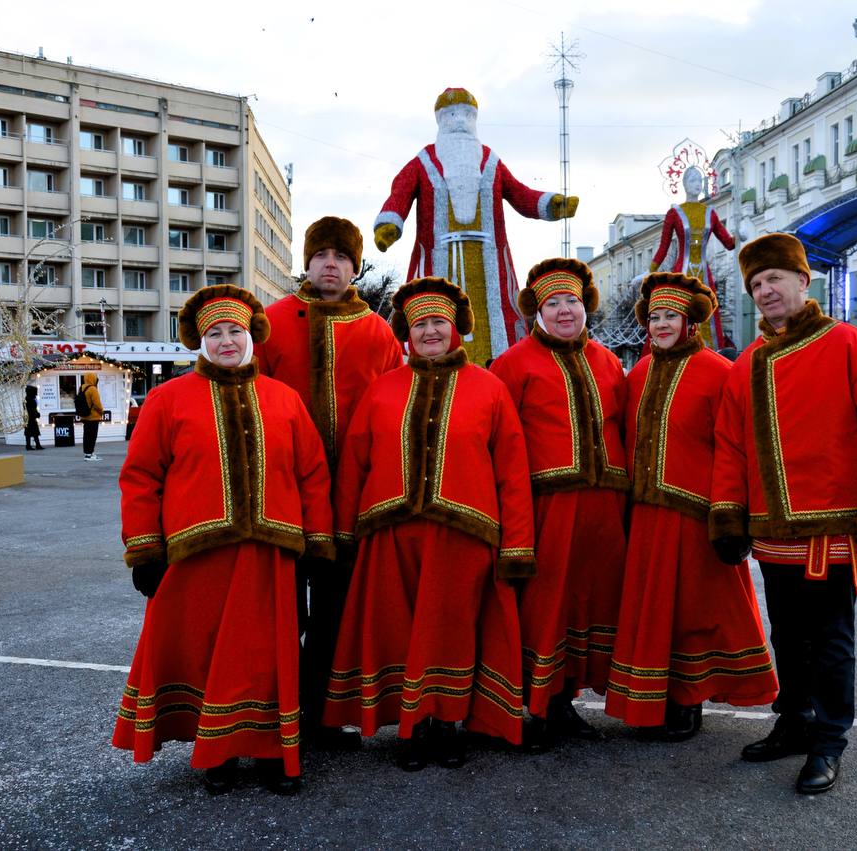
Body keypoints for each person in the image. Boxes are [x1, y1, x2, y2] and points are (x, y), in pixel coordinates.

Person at [113, 284, 334, 796]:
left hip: (270, 556)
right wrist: (145, 549)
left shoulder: (285, 399)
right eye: (215, 333)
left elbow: (312, 477)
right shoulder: (167, 399)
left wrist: (318, 545)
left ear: (252, 336)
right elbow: (141, 477)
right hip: (197, 557)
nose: (226, 341)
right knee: (209, 655)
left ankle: (276, 753)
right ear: (200, 341)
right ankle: (220, 752)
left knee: (269, 658)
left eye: (235, 331)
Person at [709, 232, 857, 795]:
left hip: (830, 530)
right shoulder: (745, 363)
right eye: (756, 283)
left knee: (829, 641)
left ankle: (827, 742)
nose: (766, 290)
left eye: (774, 278)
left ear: (804, 280)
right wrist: (728, 517)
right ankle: (794, 723)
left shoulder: (850, 344)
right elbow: (731, 446)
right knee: (787, 636)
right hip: (771, 534)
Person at [323, 277, 535, 770]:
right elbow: (355, 463)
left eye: (438, 322)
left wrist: (517, 544)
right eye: (421, 324)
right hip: (391, 537)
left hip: (464, 538)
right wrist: (341, 534)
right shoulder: (382, 389)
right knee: (401, 632)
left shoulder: (490, 389)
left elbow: (512, 472)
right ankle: (413, 725)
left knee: (451, 631)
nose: (430, 332)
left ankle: (447, 722)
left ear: (455, 328)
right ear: (408, 333)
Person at [605, 273, 778, 741]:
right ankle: (651, 696)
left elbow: (734, 446)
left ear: (690, 321)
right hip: (646, 514)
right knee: (650, 609)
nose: (661, 324)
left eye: (671, 316)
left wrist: (731, 514)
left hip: (698, 513)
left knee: (695, 611)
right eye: (655, 317)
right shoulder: (637, 372)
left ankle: (689, 697)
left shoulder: (718, 371)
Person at [257, 215, 403, 750]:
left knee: (335, 614)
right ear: (307, 261)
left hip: (350, 499)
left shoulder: (377, 330)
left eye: (342, 257)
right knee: (280, 610)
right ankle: (274, 716)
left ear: (355, 266)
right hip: (284, 496)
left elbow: (392, 410)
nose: (331, 265)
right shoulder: (271, 322)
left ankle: (321, 715)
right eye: (322, 255)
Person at [488, 257, 628, 750]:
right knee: (544, 608)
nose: (565, 310)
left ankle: (564, 701)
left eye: (571, 300)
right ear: (538, 312)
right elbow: (498, 444)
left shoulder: (609, 361)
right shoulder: (512, 365)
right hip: (546, 509)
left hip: (604, 510)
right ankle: (536, 706)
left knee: (586, 606)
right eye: (553, 303)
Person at [373, 88, 579, 364]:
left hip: (489, 265)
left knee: (497, 321)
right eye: (453, 114)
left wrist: (551, 204)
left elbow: (520, 194)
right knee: (433, 316)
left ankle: (499, 369)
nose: (460, 120)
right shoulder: (423, 161)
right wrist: (389, 224)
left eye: (468, 114)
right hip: (439, 262)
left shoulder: (491, 161)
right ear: (441, 119)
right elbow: (400, 193)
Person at [647, 165, 736, 349]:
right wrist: (650, 273)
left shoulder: (710, 213)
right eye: (693, 180)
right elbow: (663, 247)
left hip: (705, 276)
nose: (697, 184)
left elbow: (728, 243)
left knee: (708, 313)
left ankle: (712, 354)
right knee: (680, 312)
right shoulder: (674, 213)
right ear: (685, 184)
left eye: (700, 180)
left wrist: (741, 236)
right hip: (682, 273)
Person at [78, 373, 103, 460]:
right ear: (93, 379)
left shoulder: (81, 388)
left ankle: (87, 453)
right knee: (92, 436)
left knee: (86, 436)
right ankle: (90, 454)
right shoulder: (93, 389)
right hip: (93, 417)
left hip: (84, 416)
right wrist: (101, 412)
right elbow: (97, 404)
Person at [23, 386, 42, 450]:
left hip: (29, 417)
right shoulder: (29, 399)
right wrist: (36, 414)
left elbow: (32, 409)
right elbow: (31, 409)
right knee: (33, 432)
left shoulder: (28, 399)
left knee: (31, 432)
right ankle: (35, 445)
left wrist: (36, 414)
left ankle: (31, 445)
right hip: (30, 418)